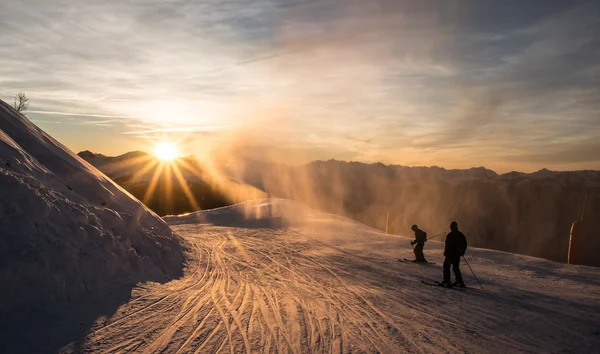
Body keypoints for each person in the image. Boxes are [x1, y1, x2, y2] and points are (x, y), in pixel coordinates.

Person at [442, 221, 468, 287]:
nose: (450, 228)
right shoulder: (460, 234)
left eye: (451, 227)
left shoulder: (450, 235)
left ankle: (447, 281)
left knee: (446, 266)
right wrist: (462, 252)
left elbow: (447, 245)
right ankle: (459, 282)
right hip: (456, 254)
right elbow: (464, 244)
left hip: (450, 254)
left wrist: (446, 253)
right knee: (455, 268)